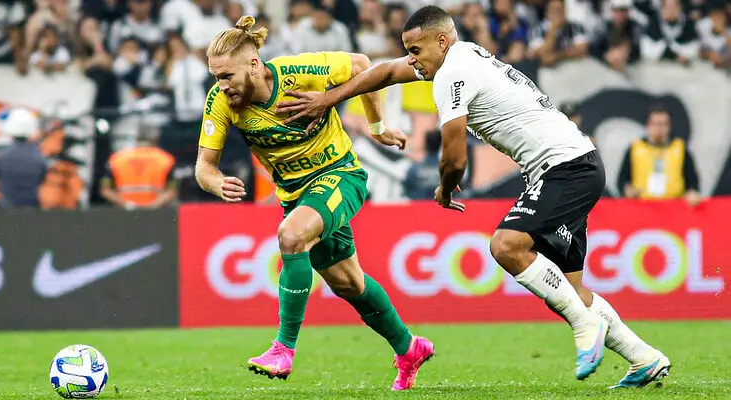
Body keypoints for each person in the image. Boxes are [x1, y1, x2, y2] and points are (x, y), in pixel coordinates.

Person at [275, 5, 670, 388]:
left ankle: (587, 327)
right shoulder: (460, 56)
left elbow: (454, 154)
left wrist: (445, 189)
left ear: (442, 41)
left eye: (416, 50)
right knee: (570, 290)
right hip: (574, 162)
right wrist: (329, 99)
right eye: (408, 50)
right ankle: (644, 358)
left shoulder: (453, 73)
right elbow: (386, 71)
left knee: (507, 246)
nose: (411, 60)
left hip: (565, 168)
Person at [194, 15, 434, 390]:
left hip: (341, 176)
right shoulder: (221, 103)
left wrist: (377, 127)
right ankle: (409, 348)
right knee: (349, 285)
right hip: (297, 195)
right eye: (215, 78)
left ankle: (283, 349)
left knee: (291, 237)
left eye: (226, 76)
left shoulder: (300, 72)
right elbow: (203, 167)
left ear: (254, 66)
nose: (221, 86)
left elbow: (362, 65)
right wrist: (216, 183)